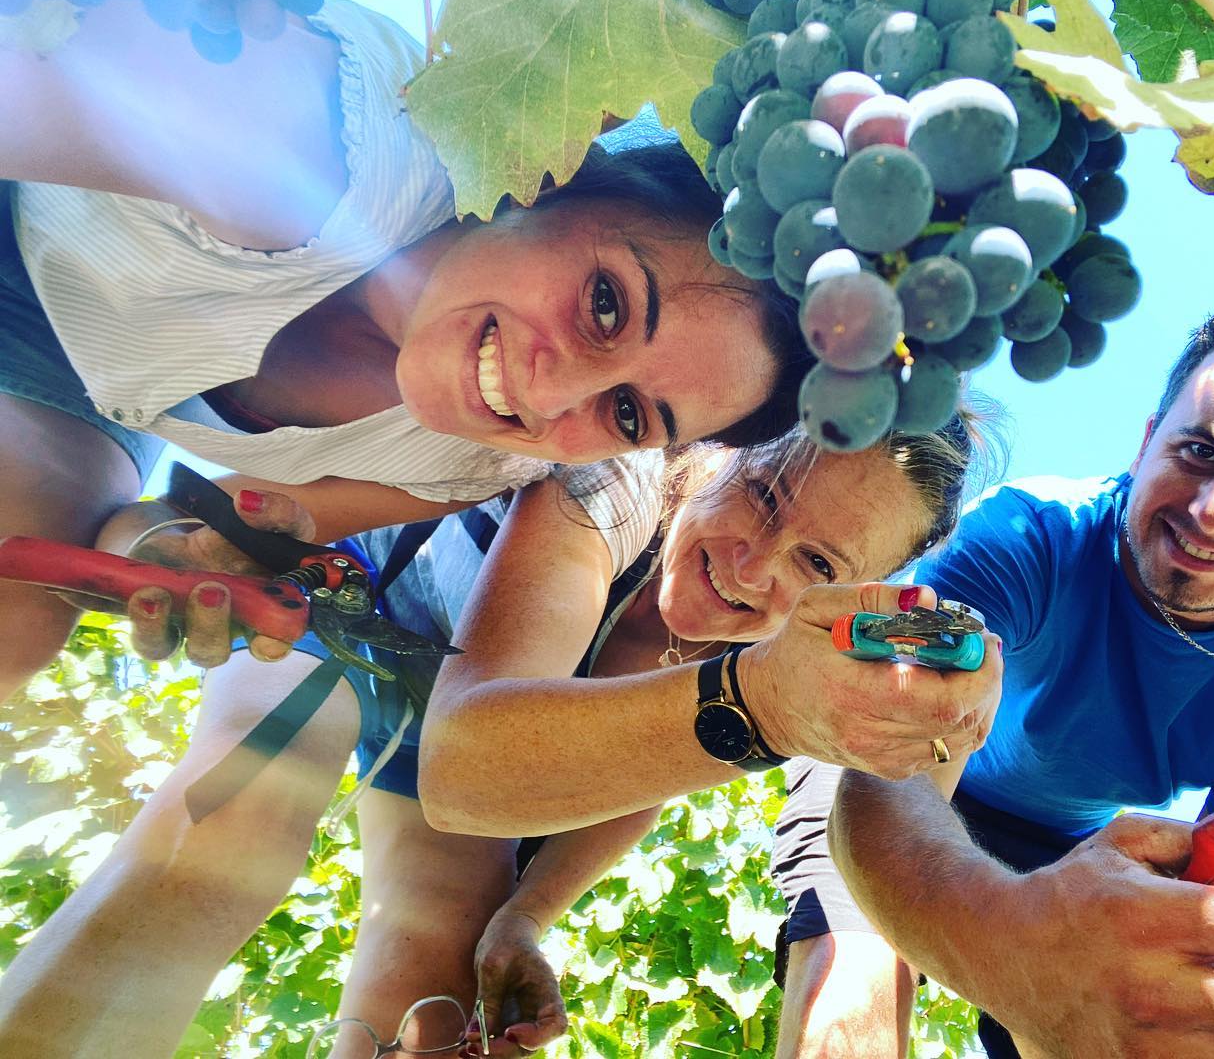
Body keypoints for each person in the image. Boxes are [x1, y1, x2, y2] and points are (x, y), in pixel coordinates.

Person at [0, 418, 1001, 1056]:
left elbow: (630, 781)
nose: (752, 563)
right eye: (764, 495)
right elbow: (468, 766)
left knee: (440, 975)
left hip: (474, 708)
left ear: (848, 586)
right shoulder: (616, 480)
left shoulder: (769, 640)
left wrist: (527, 918)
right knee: (225, 841)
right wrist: (767, 708)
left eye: (815, 558)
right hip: (358, 601)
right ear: (727, 447)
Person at [0, 0, 810, 700]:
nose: (556, 398)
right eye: (607, 304)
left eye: (630, 414)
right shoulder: (308, 146)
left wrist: (175, 557)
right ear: (556, 175)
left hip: (67, 357)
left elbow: (163, 526)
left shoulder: (484, 459)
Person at [768, 298, 1214, 1058]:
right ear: (1147, 444)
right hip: (905, 761)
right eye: (1201, 453)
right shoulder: (1025, 534)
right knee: (855, 962)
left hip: (1073, 845)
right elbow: (888, 758)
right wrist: (1010, 956)